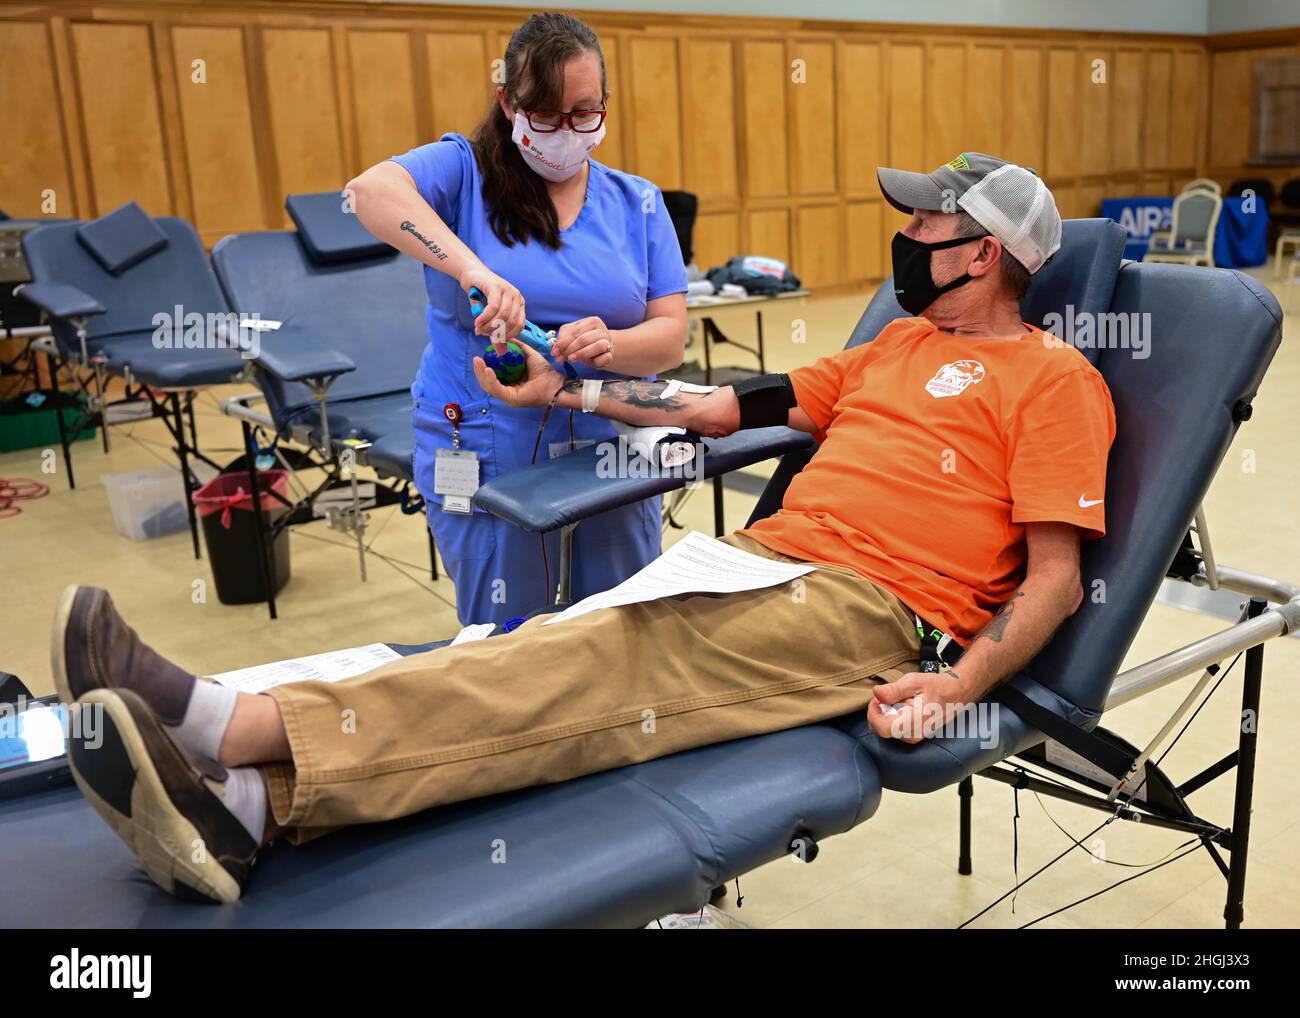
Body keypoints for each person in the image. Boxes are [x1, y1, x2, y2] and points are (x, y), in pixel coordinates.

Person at [54, 154, 1115, 904]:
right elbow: (714, 408)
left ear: (981, 255)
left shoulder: (1054, 383)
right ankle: (253, 807)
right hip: (752, 561)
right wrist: (565, 393)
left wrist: (955, 686)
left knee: (587, 663)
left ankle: (232, 727)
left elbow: (1057, 580)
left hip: (868, 613)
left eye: (926, 225)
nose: (907, 238)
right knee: (537, 650)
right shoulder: (889, 351)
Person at [347, 12, 688, 625]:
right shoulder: (462, 173)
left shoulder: (635, 201)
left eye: (585, 112)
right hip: (485, 432)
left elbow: (670, 339)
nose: (566, 131)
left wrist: (611, 343)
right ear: (508, 102)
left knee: (623, 621)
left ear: (605, 102)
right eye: (547, 114)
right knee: (508, 636)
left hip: (605, 426)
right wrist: (469, 269)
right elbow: (369, 193)